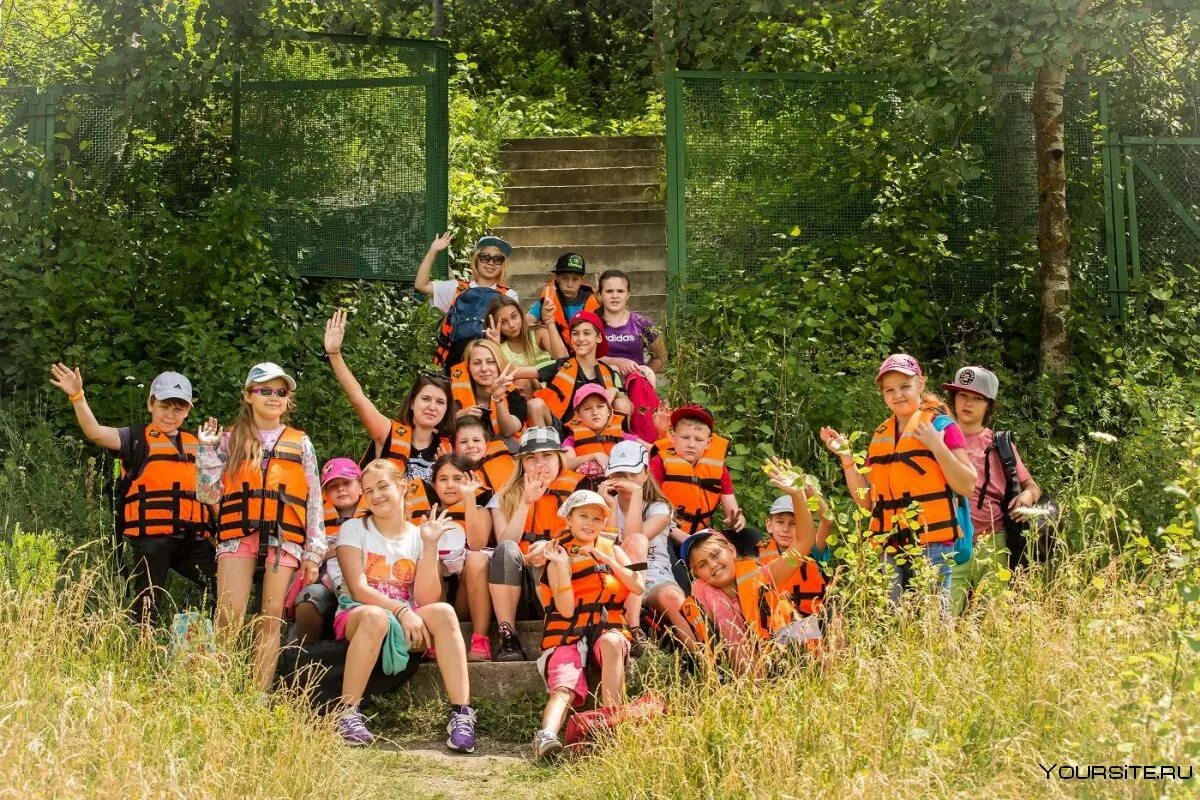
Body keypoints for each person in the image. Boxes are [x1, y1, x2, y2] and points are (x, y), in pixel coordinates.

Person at [195, 362, 327, 693]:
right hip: (238, 535)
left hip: (286, 539)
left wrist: (314, 550)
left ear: (287, 399)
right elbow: (207, 493)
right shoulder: (229, 439)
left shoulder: (301, 443)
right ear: (248, 396)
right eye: (264, 390)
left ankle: (256, 697)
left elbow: (314, 501)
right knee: (228, 618)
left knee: (270, 621)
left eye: (280, 392)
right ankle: (219, 694)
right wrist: (206, 450)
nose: (273, 397)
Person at [49, 364, 215, 625]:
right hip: (152, 537)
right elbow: (95, 432)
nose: (170, 415)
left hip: (193, 539)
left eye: (178, 408)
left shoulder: (198, 444)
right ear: (151, 404)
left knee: (222, 586)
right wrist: (77, 396)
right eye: (164, 406)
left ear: (187, 410)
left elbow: (212, 489)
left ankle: (210, 642)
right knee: (149, 599)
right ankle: (142, 648)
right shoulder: (135, 438)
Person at [332, 459, 476, 750]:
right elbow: (359, 589)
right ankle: (347, 714)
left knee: (445, 612)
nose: (375, 495)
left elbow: (425, 599)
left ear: (402, 487)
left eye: (383, 486)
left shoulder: (417, 535)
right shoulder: (353, 529)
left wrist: (431, 544)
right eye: (368, 490)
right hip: (359, 614)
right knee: (376, 617)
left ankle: (462, 714)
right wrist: (401, 610)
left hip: (406, 615)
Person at [820, 353, 977, 605]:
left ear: (921, 385)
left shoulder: (941, 426)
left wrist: (938, 447)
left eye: (905, 386)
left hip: (932, 542)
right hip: (889, 543)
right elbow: (867, 503)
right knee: (893, 622)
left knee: (932, 622)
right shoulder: (881, 434)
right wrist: (847, 459)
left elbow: (967, 484)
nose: (898, 395)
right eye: (889, 390)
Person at [531, 490, 644, 761]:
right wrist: (560, 565)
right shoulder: (557, 553)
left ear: (605, 523)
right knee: (565, 685)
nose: (590, 523)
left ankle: (611, 724)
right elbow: (567, 609)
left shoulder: (613, 549)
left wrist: (606, 559)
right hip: (569, 632)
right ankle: (546, 736)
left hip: (608, 628)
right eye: (583, 516)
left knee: (613, 641)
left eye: (597, 518)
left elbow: (638, 586)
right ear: (568, 519)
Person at [942, 366, 1042, 614]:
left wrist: (1027, 497)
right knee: (946, 615)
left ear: (989, 406)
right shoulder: (939, 438)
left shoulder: (997, 443)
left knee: (992, 616)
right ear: (953, 399)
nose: (968, 403)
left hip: (993, 540)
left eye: (977, 399)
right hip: (951, 539)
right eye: (962, 396)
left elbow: (1031, 485)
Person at [487, 427, 581, 661]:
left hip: (560, 579)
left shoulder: (579, 488)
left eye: (547, 456)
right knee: (506, 549)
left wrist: (551, 547)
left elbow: (587, 541)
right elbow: (505, 543)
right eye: (531, 458)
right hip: (516, 583)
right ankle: (508, 637)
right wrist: (526, 502)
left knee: (548, 557)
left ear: (559, 459)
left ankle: (560, 634)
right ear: (522, 464)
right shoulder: (504, 496)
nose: (540, 464)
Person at [324, 310, 452, 481]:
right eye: (426, 399)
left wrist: (450, 463)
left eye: (440, 402)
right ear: (412, 403)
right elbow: (357, 397)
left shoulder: (448, 448)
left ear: (446, 409)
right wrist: (334, 354)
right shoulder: (388, 433)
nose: (432, 407)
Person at [678, 527, 817, 676]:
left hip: (781, 649)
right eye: (702, 564)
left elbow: (805, 541)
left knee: (828, 618)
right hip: (742, 674)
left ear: (731, 550)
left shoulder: (764, 575)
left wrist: (800, 502)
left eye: (716, 554)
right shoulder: (701, 593)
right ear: (697, 574)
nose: (712, 565)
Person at [408, 454, 495, 662]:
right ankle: (434, 638)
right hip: (435, 597)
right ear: (434, 484)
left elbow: (476, 544)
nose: (450, 485)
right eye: (443, 479)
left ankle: (480, 639)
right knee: (428, 559)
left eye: (458, 479)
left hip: (466, 597)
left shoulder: (480, 511)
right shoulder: (423, 516)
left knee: (476, 558)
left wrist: (469, 499)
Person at [598, 440, 675, 653]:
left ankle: (700, 654)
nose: (627, 480)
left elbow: (634, 540)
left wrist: (637, 496)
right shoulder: (602, 505)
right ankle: (632, 628)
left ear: (646, 472)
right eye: (620, 475)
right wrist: (610, 506)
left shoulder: (660, 507)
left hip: (654, 574)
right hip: (616, 573)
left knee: (639, 542)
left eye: (633, 474)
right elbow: (609, 546)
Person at [414, 233, 519, 368]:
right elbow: (421, 285)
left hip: (491, 363)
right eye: (485, 257)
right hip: (456, 362)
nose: (491, 263)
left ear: (503, 264)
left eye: (497, 259)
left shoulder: (509, 295)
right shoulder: (457, 288)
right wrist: (432, 251)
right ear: (476, 260)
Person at [292, 458, 366, 644]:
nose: (341, 489)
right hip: (325, 583)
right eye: (333, 486)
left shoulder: (376, 512)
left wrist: (337, 550)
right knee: (308, 600)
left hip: (369, 581)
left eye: (347, 483)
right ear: (325, 493)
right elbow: (305, 555)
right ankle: (306, 659)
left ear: (361, 486)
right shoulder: (315, 519)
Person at [755, 458, 834, 630]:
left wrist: (806, 490)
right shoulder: (757, 552)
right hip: (776, 627)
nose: (785, 529)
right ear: (769, 525)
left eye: (793, 523)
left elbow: (827, 521)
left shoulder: (812, 549)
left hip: (812, 624)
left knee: (835, 617)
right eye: (780, 522)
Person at [515, 311, 632, 427]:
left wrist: (615, 391)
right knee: (534, 405)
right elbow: (517, 372)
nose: (580, 338)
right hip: (561, 428)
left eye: (586, 333)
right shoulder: (560, 365)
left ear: (599, 337)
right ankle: (544, 444)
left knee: (621, 403)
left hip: (596, 429)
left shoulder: (610, 372)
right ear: (570, 339)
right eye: (575, 334)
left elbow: (629, 407)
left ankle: (614, 442)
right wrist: (495, 346)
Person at [651, 404, 745, 537]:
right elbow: (647, 509)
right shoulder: (659, 462)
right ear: (673, 436)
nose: (691, 444)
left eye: (699, 439)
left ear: (708, 443)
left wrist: (735, 521)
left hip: (699, 535)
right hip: (664, 532)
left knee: (749, 536)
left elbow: (733, 512)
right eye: (685, 437)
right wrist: (685, 539)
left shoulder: (720, 471)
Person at [449, 338, 536, 439]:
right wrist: (459, 416)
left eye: (490, 362)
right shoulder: (450, 393)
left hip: (507, 451)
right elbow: (438, 427)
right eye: (477, 363)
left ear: (499, 366)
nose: (484, 369)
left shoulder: (514, 396)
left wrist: (498, 400)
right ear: (468, 369)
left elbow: (508, 431)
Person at [562, 384, 637, 487]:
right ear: (578, 416)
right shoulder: (571, 440)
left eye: (600, 406)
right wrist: (594, 456)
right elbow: (567, 463)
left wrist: (662, 433)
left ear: (609, 411)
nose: (595, 412)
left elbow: (651, 449)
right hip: (587, 491)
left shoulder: (622, 436)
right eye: (587, 408)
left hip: (618, 488)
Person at [526, 252, 601, 354]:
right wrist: (545, 327)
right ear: (556, 277)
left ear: (582, 280)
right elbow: (527, 321)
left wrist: (604, 305)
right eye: (565, 278)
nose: (569, 285)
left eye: (575, 279)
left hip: (588, 354)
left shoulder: (595, 300)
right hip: (558, 356)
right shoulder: (547, 300)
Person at [597, 269, 667, 374]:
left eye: (620, 291)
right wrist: (616, 362)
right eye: (609, 291)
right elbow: (583, 357)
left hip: (634, 385)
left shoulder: (643, 323)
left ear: (628, 295)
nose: (615, 296)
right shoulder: (591, 323)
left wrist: (643, 377)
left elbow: (661, 356)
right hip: (602, 385)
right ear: (600, 294)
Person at [485, 294, 565, 382]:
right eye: (503, 322)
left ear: (521, 314)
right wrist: (496, 346)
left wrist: (549, 321)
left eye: (514, 316)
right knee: (522, 382)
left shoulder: (538, 333)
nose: (512, 325)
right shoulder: (498, 345)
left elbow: (562, 359)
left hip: (551, 390)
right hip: (519, 392)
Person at [452, 416, 517, 493]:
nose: (471, 445)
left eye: (476, 440)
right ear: (454, 448)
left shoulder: (511, 465)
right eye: (463, 442)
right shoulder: (449, 472)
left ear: (486, 443)